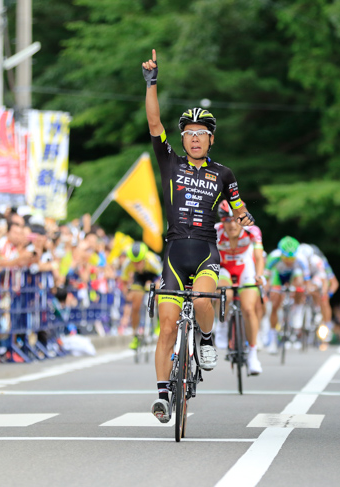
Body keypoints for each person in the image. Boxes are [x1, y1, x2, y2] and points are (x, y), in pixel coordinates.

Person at [143, 49, 256, 423]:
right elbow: (154, 121)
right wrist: (152, 82)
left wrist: (242, 217)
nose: (193, 140)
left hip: (206, 251)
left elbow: (238, 207)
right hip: (174, 251)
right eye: (188, 134)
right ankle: (162, 397)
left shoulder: (224, 175)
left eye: (200, 134)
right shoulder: (170, 163)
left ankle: (207, 339)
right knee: (167, 323)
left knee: (206, 299)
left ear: (211, 140)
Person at [215, 200, 265, 374]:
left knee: (249, 309)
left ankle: (252, 355)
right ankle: (221, 325)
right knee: (225, 294)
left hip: (245, 266)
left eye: (236, 219)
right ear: (222, 221)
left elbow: (258, 257)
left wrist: (259, 275)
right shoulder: (215, 232)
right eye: (227, 220)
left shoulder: (252, 230)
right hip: (224, 267)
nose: (232, 224)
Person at [265, 236, 309, 353]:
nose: (289, 261)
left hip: (294, 275)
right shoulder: (274, 257)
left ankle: (298, 311)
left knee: (299, 282)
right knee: (275, 303)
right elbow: (266, 278)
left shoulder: (301, 259)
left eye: (292, 258)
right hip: (278, 276)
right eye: (286, 258)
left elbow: (306, 281)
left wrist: (303, 290)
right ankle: (273, 340)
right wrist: (269, 289)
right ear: (281, 254)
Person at [120, 242, 163, 350]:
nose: (137, 265)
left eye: (139, 262)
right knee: (135, 304)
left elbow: (162, 278)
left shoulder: (152, 260)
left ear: (144, 258)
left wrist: (153, 285)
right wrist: (127, 294)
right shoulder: (127, 264)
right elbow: (124, 282)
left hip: (153, 276)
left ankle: (158, 321)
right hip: (138, 278)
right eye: (134, 262)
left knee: (158, 292)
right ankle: (135, 335)